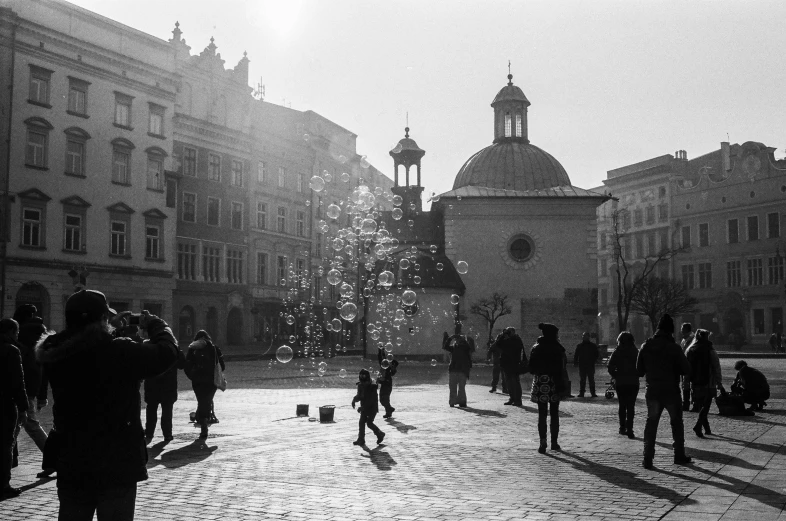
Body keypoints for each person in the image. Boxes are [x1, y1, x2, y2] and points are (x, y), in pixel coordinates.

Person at [35, 289, 179, 520]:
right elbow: (166, 353)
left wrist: (107, 327)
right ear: (101, 319)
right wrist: (158, 325)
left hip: (72, 456)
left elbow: (85, 343)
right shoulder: (118, 350)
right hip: (115, 460)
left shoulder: (56, 352)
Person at [636, 313, 692, 469]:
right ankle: (679, 455)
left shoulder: (646, 345)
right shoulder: (674, 348)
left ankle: (647, 458)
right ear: (671, 330)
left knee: (651, 423)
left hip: (652, 390)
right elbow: (686, 368)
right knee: (676, 423)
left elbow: (639, 370)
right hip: (671, 391)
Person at [12, 305, 52, 477]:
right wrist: (42, 394)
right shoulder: (41, 335)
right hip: (34, 382)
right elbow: (44, 366)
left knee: (29, 423)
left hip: (21, 383)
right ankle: (10, 459)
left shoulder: (19, 334)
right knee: (17, 423)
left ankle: (54, 458)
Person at [529, 323, 567, 454]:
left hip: (541, 382)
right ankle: (554, 442)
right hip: (555, 382)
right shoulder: (558, 348)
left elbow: (531, 368)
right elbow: (562, 369)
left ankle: (542, 441)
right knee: (555, 413)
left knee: (542, 413)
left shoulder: (536, 348)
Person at [1, 318, 28, 499]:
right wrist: (23, 407)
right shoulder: (11, 351)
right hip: (4, 404)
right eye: (16, 332)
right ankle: (3, 484)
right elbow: (18, 382)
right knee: (5, 445)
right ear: (11, 332)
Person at [144, 330, 186, 443]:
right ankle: (167, 434)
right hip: (169, 386)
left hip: (152, 384)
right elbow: (182, 364)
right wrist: (179, 351)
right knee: (167, 412)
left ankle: (149, 433)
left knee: (151, 410)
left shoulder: (148, 346)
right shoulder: (172, 348)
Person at [184, 330, 225, 439]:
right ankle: (203, 424)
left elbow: (187, 365)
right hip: (211, 381)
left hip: (197, 381)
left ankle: (202, 422)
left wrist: (192, 376)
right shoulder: (214, 348)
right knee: (206, 401)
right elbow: (222, 366)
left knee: (202, 401)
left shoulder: (193, 348)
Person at [685, 329, 722, 437]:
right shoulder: (710, 350)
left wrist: (686, 381)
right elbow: (716, 367)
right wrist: (719, 382)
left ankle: (707, 429)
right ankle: (698, 426)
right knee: (706, 406)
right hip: (708, 381)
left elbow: (686, 367)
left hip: (695, 381)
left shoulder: (690, 349)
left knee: (701, 404)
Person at [607, 331, 640, 439]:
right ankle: (630, 429)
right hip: (633, 382)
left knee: (622, 405)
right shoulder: (635, 351)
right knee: (631, 406)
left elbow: (610, 366)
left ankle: (622, 427)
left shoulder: (618, 351)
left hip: (621, 382)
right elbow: (640, 366)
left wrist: (616, 375)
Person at [351, 369, 385, 445]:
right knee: (361, 422)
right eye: (360, 375)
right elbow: (360, 395)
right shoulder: (360, 385)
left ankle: (380, 434)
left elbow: (372, 399)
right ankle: (361, 439)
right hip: (364, 407)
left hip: (372, 407)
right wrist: (354, 400)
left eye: (363, 375)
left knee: (369, 423)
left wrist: (363, 407)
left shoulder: (372, 386)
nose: (362, 377)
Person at [442, 330, 475, 407]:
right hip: (453, 369)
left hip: (463, 370)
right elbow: (445, 346)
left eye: (459, 340)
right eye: (457, 340)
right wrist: (450, 338)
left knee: (461, 387)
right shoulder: (453, 348)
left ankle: (462, 401)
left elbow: (469, 347)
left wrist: (462, 339)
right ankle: (452, 401)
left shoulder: (466, 348)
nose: (457, 341)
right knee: (452, 386)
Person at [495, 327, 526, 406]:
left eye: (509, 332)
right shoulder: (505, 339)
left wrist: (506, 338)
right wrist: (502, 335)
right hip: (506, 364)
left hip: (514, 363)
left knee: (515, 382)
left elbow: (513, 348)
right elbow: (498, 344)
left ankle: (518, 400)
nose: (508, 333)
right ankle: (512, 398)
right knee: (509, 382)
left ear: (513, 332)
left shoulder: (516, 339)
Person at [574, 332, 599, 397]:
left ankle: (592, 392)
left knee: (591, 379)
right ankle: (582, 392)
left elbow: (596, 354)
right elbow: (576, 355)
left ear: (588, 337)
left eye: (585, 336)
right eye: (583, 336)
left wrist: (594, 360)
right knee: (583, 380)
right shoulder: (580, 346)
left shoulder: (592, 346)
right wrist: (575, 362)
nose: (584, 337)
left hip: (589, 365)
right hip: (583, 365)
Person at [376, 347, 399, 418]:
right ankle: (389, 411)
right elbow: (381, 358)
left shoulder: (389, 369)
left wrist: (393, 366)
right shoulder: (384, 366)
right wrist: (380, 350)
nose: (384, 364)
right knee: (383, 399)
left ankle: (389, 410)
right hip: (385, 385)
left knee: (384, 399)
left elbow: (392, 371)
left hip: (387, 385)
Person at [679, 323, 694, 411]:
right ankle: (685, 403)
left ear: (685, 329)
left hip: (688, 364)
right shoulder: (684, 339)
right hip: (684, 364)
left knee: (688, 385)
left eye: (682, 329)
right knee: (685, 385)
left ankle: (688, 403)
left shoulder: (691, 339)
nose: (681, 330)